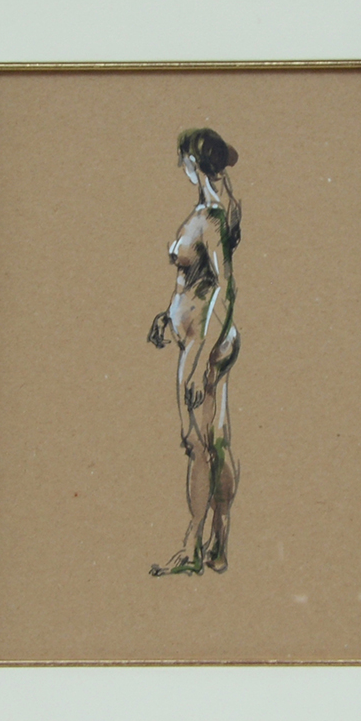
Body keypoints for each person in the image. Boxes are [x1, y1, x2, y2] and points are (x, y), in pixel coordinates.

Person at [147, 127, 241, 576]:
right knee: (215, 439)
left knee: (198, 445)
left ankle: (193, 548)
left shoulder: (212, 218)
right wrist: (166, 316)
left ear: (192, 162)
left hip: (204, 341)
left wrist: (201, 357)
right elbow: (195, 282)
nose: (179, 165)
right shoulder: (210, 213)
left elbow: (224, 287)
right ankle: (216, 547)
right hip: (200, 335)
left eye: (182, 158)